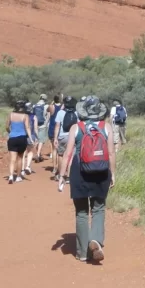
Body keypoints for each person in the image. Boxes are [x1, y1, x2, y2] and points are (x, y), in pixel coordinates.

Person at [60, 96, 115, 263]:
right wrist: (113, 174)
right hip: (101, 172)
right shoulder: (106, 127)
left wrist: (62, 175)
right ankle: (96, 241)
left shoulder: (76, 128)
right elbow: (111, 153)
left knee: (81, 212)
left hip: (79, 172)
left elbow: (68, 153)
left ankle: (82, 252)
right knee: (98, 208)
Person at [53, 95, 78, 184]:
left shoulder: (60, 113)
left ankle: (60, 175)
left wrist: (55, 138)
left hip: (62, 137)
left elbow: (57, 126)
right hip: (73, 137)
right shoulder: (76, 113)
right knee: (70, 156)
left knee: (60, 155)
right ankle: (68, 176)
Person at [5, 101, 31, 183]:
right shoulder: (25, 116)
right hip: (22, 138)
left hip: (12, 138)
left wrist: (10, 132)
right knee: (20, 158)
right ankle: (18, 176)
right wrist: (31, 138)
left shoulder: (11, 115)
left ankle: (11, 176)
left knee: (12, 159)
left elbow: (6, 126)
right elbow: (27, 127)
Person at [47, 95, 62, 172]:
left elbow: (47, 110)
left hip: (52, 128)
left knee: (54, 149)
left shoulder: (51, 107)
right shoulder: (62, 107)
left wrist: (52, 103)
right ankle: (60, 167)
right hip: (60, 129)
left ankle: (54, 167)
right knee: (60, 149)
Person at [32, 94, 49, 163]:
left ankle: (38, 153)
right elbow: (48, 116)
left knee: (37, 139)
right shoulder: (46, 106)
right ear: (45, 99)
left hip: (35, 125)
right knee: (41, 140)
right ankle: (38, 154)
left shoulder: (34, 106)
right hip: (43, 125)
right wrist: (46, 124)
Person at [22, 101, 37, 176]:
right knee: (30, 151)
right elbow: (36, 128)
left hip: (22, 135)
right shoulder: (34, 116)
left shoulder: (22, 116)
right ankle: (27, 166)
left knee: (23, 152)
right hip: (31, 135)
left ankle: (22, 169)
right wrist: (37, 137)